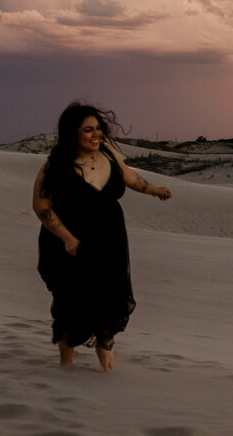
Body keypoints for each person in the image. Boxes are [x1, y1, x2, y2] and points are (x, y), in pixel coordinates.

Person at [32, 102, 172, 370]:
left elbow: (129, 176)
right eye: (88, 130)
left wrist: (155, 190)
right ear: (72, 133)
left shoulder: (108, 155)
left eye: (98, 128)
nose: (96, 134)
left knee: (111, 294)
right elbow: (41, 206)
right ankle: (66, 364)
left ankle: (104, 347)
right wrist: (68, 238)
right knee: (70, 299)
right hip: (71, 243)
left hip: (109, 241)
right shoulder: (56, 166)